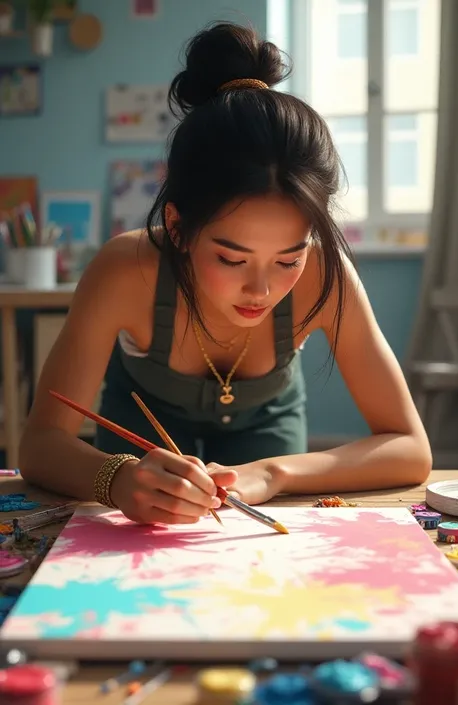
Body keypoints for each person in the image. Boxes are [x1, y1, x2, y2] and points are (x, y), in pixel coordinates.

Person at [19, 22, 432, 526]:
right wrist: (119, 478)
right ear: (177, 227)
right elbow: (41, 444)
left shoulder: (326, 273)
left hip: (266, 439)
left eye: (288, 259)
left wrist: (273, 475)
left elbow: (410, 449)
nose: (261, 290)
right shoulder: (125, 270)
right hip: (139, 447)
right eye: (232, 259)